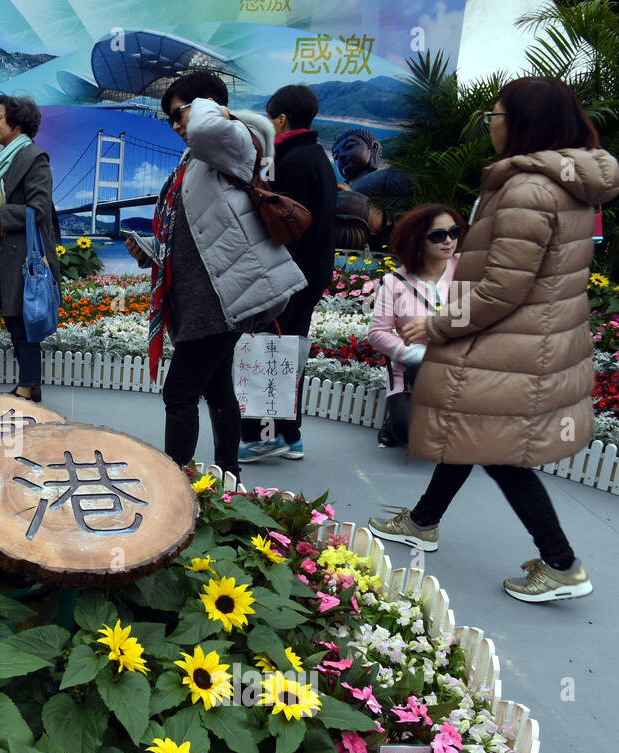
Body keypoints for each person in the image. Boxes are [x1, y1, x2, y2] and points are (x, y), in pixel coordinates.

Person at [368, 77, 619, 602]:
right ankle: (423, 520)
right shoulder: (568, 182)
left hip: (509, 342)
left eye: (496, 115)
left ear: (523, 123)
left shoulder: (528, 189)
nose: (491, 125)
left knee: (500, 453)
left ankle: (562, 563)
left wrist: (437, 324)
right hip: (532, 339)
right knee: (473, 432)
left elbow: (503, 287)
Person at [126, 70, 305, 480]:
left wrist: (206, 106)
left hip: (222, 298)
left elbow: (205, 128)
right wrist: (151, 253)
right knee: (217, 387)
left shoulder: (234, 140)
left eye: (177, 114)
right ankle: (229, 475)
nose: (175, 126)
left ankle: (177, 486)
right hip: (205, 296)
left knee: (179, 392)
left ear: (206, 105)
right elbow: (194, 237)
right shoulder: (196, 158)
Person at [237, 84, 338, 464]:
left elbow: (278, 226)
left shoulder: (288, 161)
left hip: (286, 277)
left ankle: (263, 436)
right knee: (289, 351)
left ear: (280, 119)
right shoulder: (316, 157)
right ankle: (290, 435)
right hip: (311, 274)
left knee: (268, 352)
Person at [0, 93, 61, 403]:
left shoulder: (34, 158)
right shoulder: (5, 160)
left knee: (25, 320)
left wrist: (0, 213)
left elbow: (38, 209)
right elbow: (3, 202)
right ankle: (29, 383)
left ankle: (28, 387)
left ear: (17, 123)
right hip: (7, 252)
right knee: (15, 320)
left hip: (26, 254)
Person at [366, 203, 463, 448]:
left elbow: (486, 317)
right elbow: (377, 333)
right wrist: (419, 354)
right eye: (438, 236)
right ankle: (396, 421)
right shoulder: (394, 282)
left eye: (454, 232)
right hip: (411, 373)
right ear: (417, 240)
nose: (449, 241)